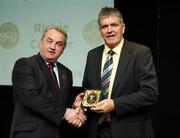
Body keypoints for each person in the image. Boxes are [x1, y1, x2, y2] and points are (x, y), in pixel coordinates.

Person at [74, 7, 159, 138]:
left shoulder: (141, 53)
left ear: (123, 28)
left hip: (130, 131)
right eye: (104, 26)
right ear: (100, 31)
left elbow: (150, 93)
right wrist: (83, 100)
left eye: (114, 25)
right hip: (98, 130)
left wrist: (115, 104)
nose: (109, 30)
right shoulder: (92, 55)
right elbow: (88, 87)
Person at [10, 27, 86, 138]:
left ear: (63, 49)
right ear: (41, 43)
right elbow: (31, 98)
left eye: (59, 44)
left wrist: (74, 105)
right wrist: (65, 113)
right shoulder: (25, 64)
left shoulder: (66, 72)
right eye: (49, 41)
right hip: (30, 134)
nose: (52, 47)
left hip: (56, 133)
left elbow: (59, 102)